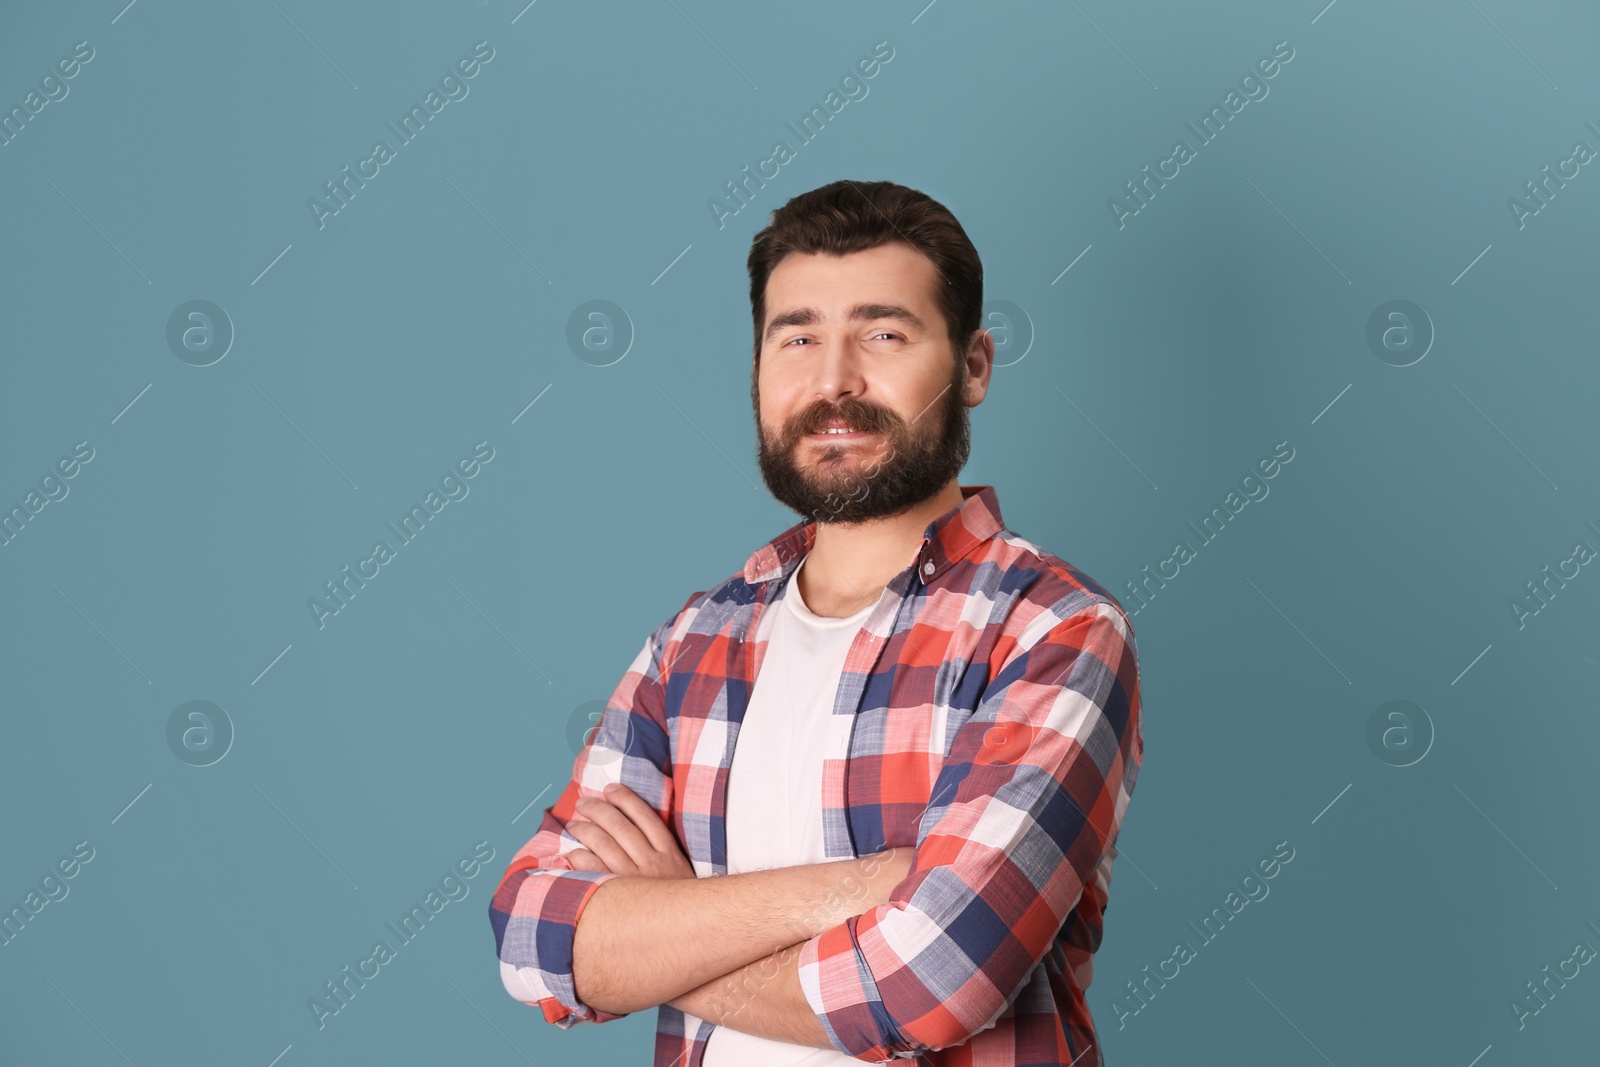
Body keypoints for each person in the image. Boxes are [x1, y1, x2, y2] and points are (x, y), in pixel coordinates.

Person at [487, 179, 1144, 1066]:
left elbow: (934, 982)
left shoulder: (1052, 631)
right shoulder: (693, 643)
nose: (833, 381)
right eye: (796, 337)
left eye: (882, 333)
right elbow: (534, 940)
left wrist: (660, 930)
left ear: (975, 365)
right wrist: (866, 886)